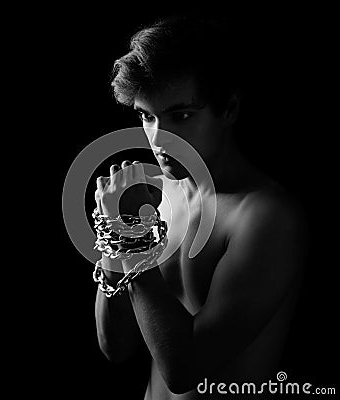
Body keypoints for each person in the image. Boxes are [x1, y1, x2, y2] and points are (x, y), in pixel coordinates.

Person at [93, 15, 306, 399]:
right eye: (147, 116)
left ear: (229, 109)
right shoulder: (152, 198)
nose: (160, 138)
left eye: (182, 116)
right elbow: (115, 348)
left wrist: (131, 241)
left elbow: (183, 369)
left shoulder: (263, 217)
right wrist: (117, 229)